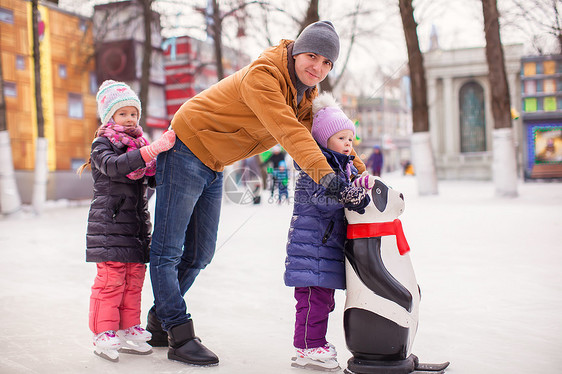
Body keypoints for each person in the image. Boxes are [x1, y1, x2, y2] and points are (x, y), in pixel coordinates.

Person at [146, 21, 369, 366]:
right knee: (168, 249)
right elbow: (291, 133)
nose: (318, 67)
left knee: (201, 253)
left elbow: (328, 138)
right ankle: (177, 330)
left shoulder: (304, 96)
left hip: (214, 162)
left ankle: (160, 319)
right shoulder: (263, 76)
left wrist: (364, 177)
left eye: (327, 63)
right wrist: (331, 181)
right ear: (296, 51)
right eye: (312, 56)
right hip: (185, 148)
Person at [79, 80, 176, 362]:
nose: (130, 118)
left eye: (134, 113)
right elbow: (114, 167)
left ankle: (128, 328)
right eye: (123, 113)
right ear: (110, 116)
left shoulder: (139, 145)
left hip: (134, 226)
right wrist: (151, 152)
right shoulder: (103, 144)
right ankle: (103, 331)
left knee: (134, 279)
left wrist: (164, 158)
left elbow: (151, 177)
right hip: (109, 225)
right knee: (111, 279)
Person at [285, 93, 373, 371]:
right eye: (341, 138)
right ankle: (308, 348)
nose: (348, 144)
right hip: (311, 249)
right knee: (313, 302)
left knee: (323, 301)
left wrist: (360, 185)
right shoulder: (316, 169)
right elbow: (322, 202)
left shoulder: (342, 167)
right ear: (324, 141)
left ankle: (313, 342)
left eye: (350, 138)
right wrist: (348, 196)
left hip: (324, 248)